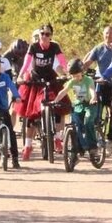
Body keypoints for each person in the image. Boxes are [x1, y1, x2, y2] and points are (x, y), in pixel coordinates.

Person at [16, 23, 69, 160]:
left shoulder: (55, 47)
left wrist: (67, 73)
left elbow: (62, 61)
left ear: (51, 36)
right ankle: (28, 145)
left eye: (47, 34)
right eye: (42, 34)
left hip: (50, 78)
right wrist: (21, 76)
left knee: (57, 106)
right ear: (39, 35)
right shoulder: (33, 47)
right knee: (31, 113)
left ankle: (57, 139)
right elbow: (27, 63)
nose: (44, 37)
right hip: (34, 80)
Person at [52, 58, 99, 159]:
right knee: (75, 125)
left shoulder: (88, 80)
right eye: (73, 76)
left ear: (82, 72)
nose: (76, 78)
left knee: (88, 121)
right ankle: (77, 148)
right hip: (78, 105)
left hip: (90, 104)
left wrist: (94, 98)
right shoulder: (72, 81)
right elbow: (64, 91)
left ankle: (93, 148)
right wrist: (55, 101)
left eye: (77, 75)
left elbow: (91, 89)